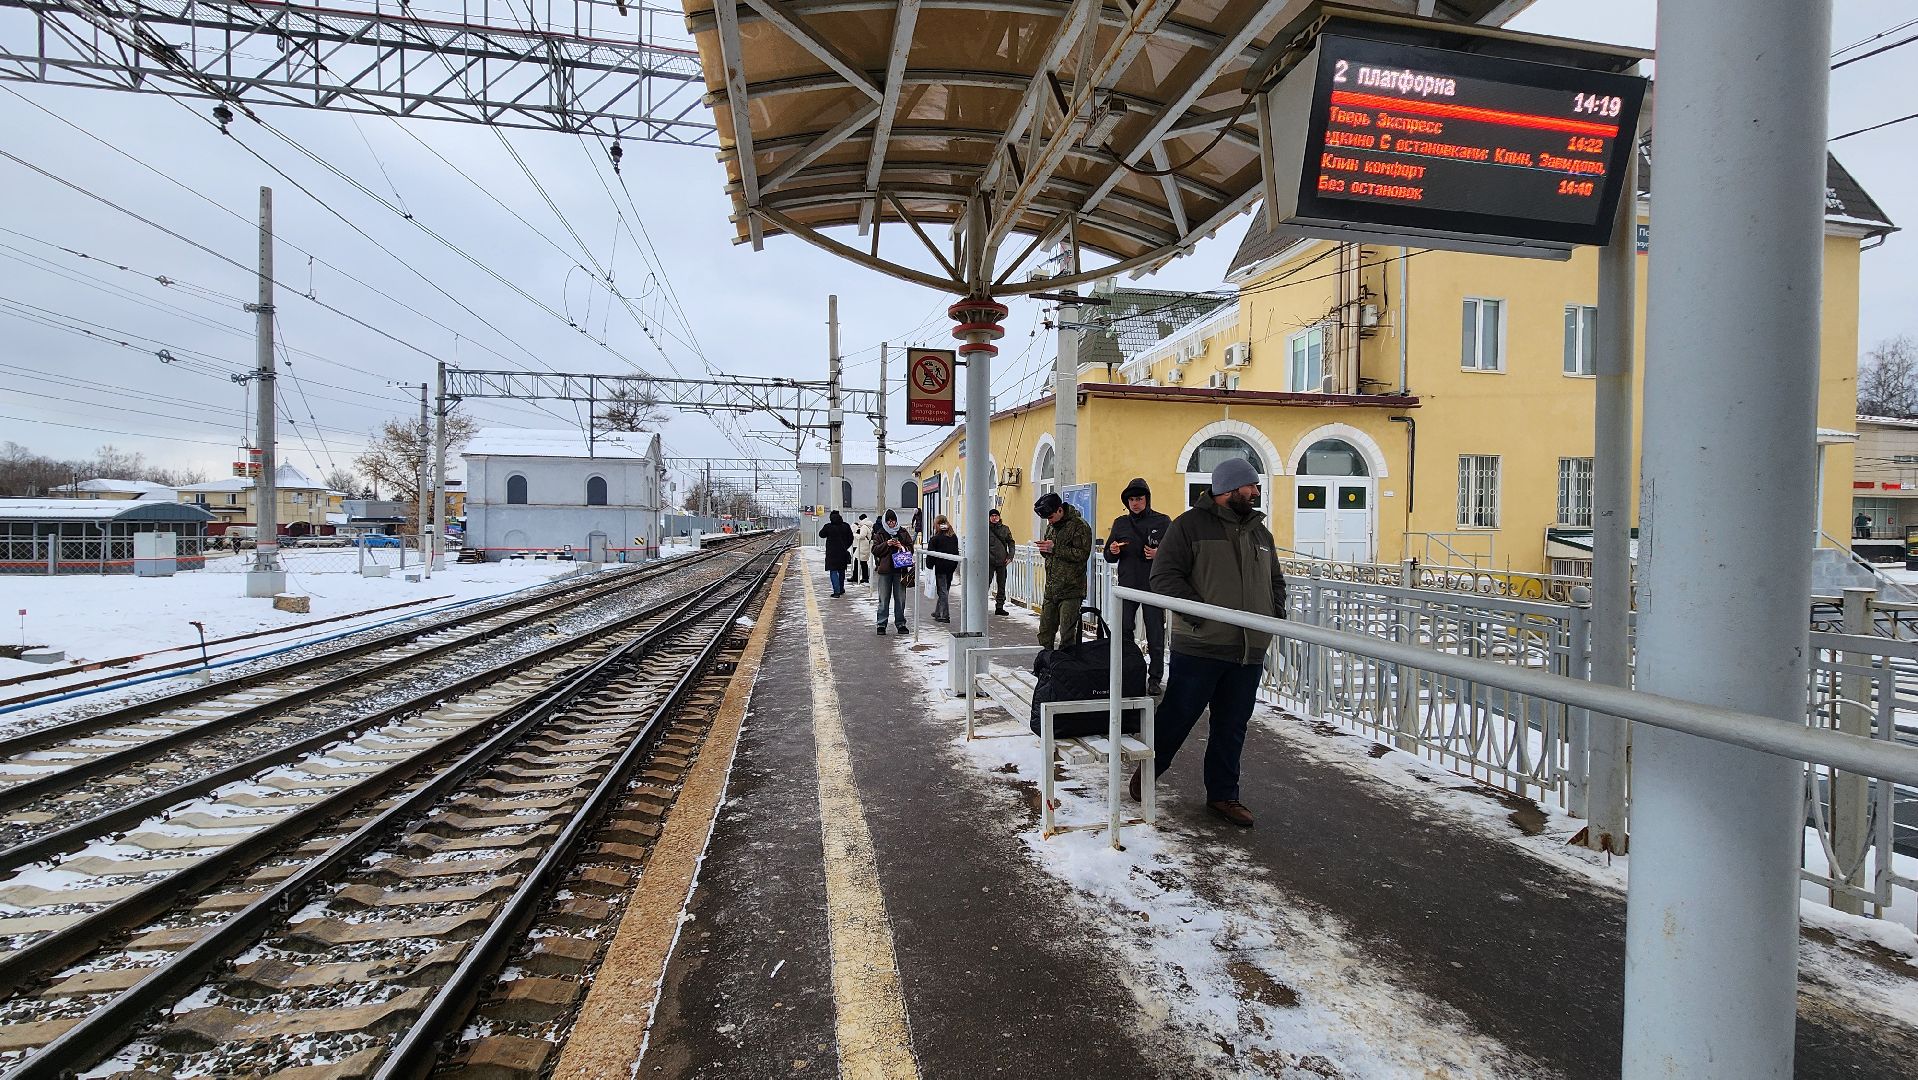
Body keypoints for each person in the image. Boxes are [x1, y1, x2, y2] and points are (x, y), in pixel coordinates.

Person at [1137, 456, 1287, 829]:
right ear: (1228, 490)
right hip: (1201, 647)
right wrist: (1200, 615)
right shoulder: (1189, 526)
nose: (1255, 492)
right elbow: (1165, 577)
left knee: (1233, 724)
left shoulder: (1260, 533)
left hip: (1248, 649)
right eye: (1249, 486)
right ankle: (1148, 769)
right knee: (1178, 714)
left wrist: (1273, 614)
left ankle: (1223, 794)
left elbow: (1275, 582)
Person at [1105, 477, 1173, 695]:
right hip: (1127, 586)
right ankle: (1128, 673)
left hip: (1153, 587)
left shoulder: (1162, 522)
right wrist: (1113, 551)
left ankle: (1154, 679)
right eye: (1131, 499)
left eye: (1139, 498)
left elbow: (1175, 552)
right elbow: (1108, 554)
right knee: (1124, 631)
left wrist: (1158, 554)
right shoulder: (1120, 523)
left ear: (1147, 499)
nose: (1135, 503)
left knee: (1155, 635)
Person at [1032, 491, 1092, 651]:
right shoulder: (1051, 527)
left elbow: (1082, 554)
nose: (1049, 522)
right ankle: (1045, 666)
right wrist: (1045, 549)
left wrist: (1055, 548)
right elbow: (1050, 554)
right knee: (1045, 633)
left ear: (1060, 510)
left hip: (1071, 590)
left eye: (1050, 517)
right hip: (1052, 589)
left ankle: (1065, 669)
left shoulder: (1079, 526)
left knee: (1067, 635)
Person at [870, 509, 914, 635]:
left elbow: (910, 549)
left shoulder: (903, 533)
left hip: (900, 570)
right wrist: (887, 544)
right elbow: (875, 550)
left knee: (900, 598)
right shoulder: (880, 533)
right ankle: (881, 624)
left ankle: (901, 624)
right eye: (888, 521)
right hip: (885, 571)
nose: (891, 523)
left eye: (893, 521)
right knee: (883, 598)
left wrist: (901, 547)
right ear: (885, 521)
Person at [929, 514, 960, 622]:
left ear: (937, 525)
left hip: (941, 568)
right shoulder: (953, 536)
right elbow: (956, 552)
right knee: (945, 590)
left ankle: (944, 615)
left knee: (942, 592)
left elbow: (931, 555)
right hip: (951, 567)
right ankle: (938, 612)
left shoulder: (936, 538)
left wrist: (929, 566)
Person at [818, 510, 853, 597]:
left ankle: (836, 591)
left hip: (831, 553)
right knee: (841, 570)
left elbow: (821, 534)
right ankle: (841, 589)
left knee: (833, 571)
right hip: (843, 552)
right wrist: (845, 547)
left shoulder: (828, 527)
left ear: (830, 518)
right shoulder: (846, 526)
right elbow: (851, 538)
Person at [987, 508, 1015, 616]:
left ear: (999, 517)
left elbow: (1011, 543)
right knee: (985, 584)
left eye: (996, 516)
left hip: (1002, 561)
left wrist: (1010, 556)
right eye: (992, 516)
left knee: (1001, 585)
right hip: (989, 561)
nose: (994, 518)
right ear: (989, 518)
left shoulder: (1005, 529)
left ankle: (999, 607)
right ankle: (981, 606)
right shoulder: (985, 529)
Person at [852, 514, 874, 585]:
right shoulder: (869, 525)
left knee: (859, 561)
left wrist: (855, 535)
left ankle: (860, 577)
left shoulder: (864, 526)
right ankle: (864, 577)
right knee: (862, 562)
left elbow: (862, 536)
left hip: (863, 546)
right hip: (866, 545)